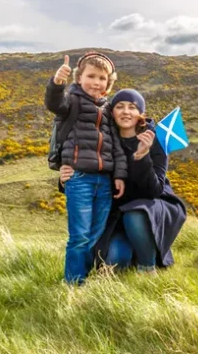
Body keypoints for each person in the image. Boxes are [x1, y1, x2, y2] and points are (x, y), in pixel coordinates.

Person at [60, 88, 187, 273]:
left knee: (135, 214)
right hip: (116, 213)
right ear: (112, 112)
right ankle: (134, 250)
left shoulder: (155, 140)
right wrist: (65, 179)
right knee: (115, 260)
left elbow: (154, 190)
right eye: (120, 106)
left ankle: (147, 268)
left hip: (151, 206)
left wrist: (142, 157)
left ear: (140, 114)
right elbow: (90, 178)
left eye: (132, 107)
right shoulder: (102, 141)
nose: (126, 111)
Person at [45, 52, 128, 284]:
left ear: (108, 83)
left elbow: (117, 148)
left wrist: (119, 175)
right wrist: (56, 82)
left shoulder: (108, 109)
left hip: (104, 181)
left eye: (102, 78)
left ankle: (86, 276)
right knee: (79, 236)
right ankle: (73, 284)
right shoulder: (71, 100)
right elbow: (54, 103)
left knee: (95, 235)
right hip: (79, 179)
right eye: (91, 76)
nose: (96, 82)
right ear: (79, 78)